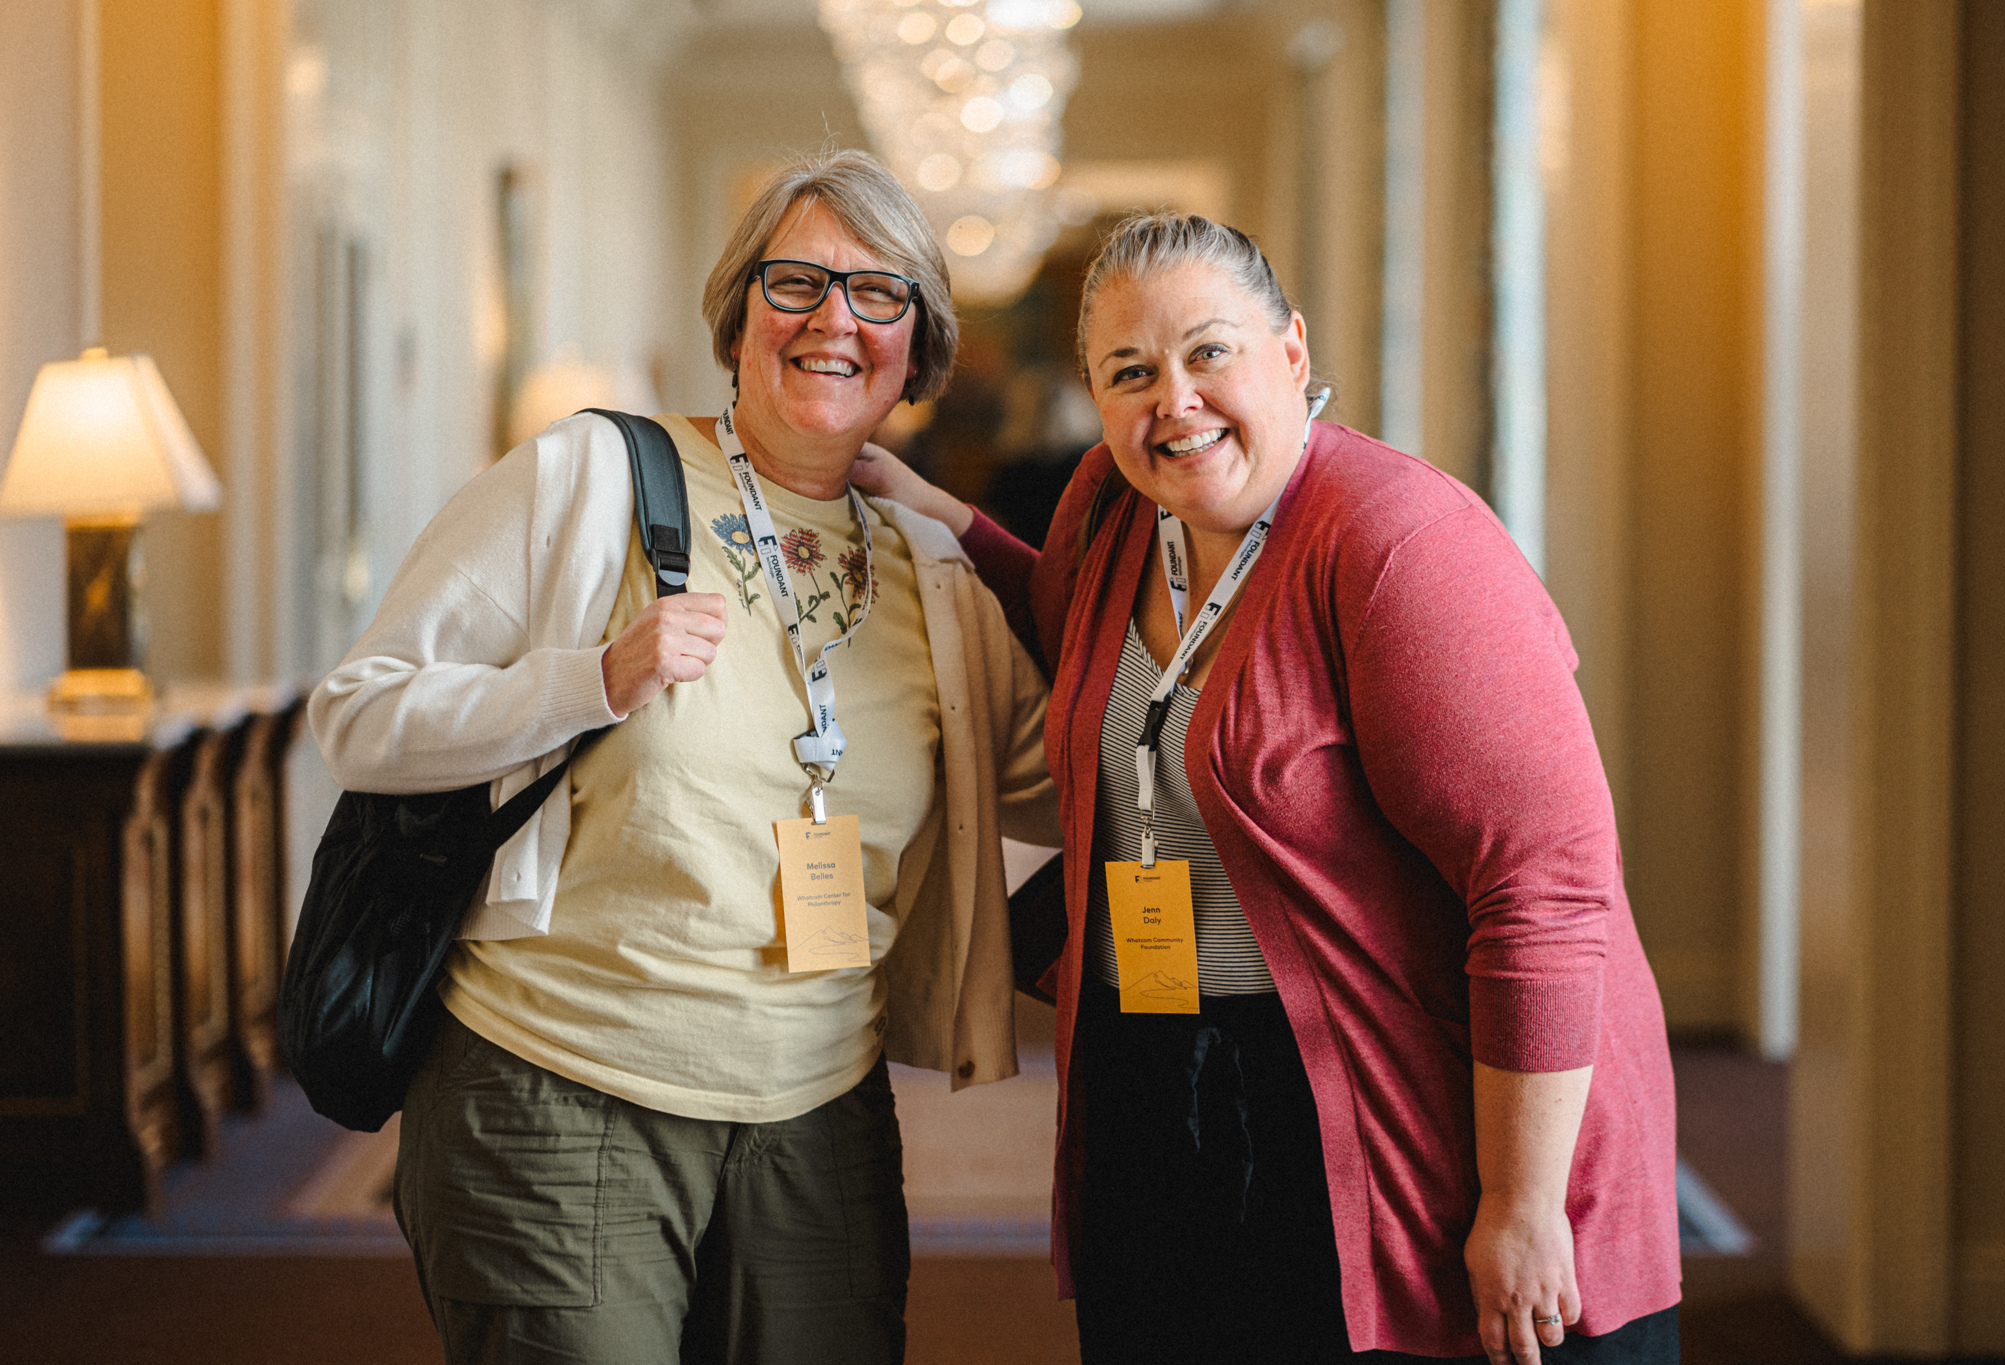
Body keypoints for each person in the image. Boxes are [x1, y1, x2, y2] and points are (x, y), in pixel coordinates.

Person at [855, 213, 1682, 1364]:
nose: (1173, 401)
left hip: (1407, 1109)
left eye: (1209, 353)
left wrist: (1521, 1203)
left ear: (1290, 353)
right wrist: (919, 510)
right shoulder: (1115, 507)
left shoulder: (1399, 547)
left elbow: (1544, 893)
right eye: (1129, 372)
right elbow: (1068, 623)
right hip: (1172, 1083)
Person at [308, 149, 1058, 1365]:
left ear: (917, 349)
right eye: (796, 281)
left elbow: (1065, 773)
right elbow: (358, 713)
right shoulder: (587, 477)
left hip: (819, 1114)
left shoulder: (932, 575)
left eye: (879, 294)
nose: (832, 318)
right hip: (558, 1092)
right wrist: (586, 683)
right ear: (736, 314)